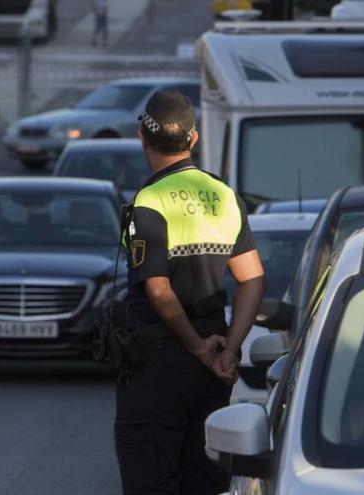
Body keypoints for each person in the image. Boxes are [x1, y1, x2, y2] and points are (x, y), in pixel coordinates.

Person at [114, 90, 265, 495]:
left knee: (152, 476)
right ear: (193, 140)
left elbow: (159, 292)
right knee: (205, 478)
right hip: (212, 366)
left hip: (160, 363)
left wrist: (197, 346)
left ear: (142, 138)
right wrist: (229, 349)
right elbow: (252, 279)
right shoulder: (223, 195)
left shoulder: (149, 200)